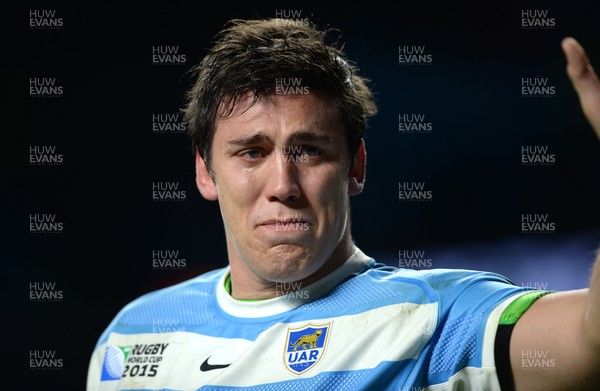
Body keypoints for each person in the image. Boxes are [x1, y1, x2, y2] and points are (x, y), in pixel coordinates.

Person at [86, 18, 600, 390]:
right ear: (205, 171)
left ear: (355, 167)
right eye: (252, 152)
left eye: (309, 150)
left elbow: (589, 341)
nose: (282, 183)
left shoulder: (435, 318)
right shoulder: (133, 338)